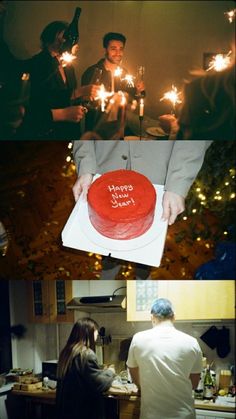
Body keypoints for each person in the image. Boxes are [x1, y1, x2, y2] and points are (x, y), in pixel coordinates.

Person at [72, 140, 211, 279]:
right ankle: (109, 265)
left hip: (158, 176)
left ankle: (143, 273)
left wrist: (178, 182)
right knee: (107, 227)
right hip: (104, 169)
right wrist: (85, 165)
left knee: (147, 236)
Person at [126, 298, 203, 419]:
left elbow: (132, 368)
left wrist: (142, 386)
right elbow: (194, 382)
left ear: (152, 318)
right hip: (183, 414)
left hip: (151, 415)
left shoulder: (138, 339)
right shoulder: (192, 342)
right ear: (174, 317)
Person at [18, 20, 90, 140]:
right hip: (48, 133)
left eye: (67, 38)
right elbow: (39, 100)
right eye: (61, 38)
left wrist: (82, 98)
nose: (65, 41)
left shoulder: (68, 66)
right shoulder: (37, 63)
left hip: (69, 131)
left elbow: (69, 93)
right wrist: (77, 93)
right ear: (49, 39)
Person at [80, 32, 145, 139]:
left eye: (121, 49)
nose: (118, 53)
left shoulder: (124, 73)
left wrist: (138, 92)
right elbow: (85, 102)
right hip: (97, 130)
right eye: (113, 49)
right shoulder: (92, 72)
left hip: (119, 129)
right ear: (105, 49)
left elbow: (132, 100)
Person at [56, 317, 116, 419]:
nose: (96, 339)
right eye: (96, 335)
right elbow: (100, 384)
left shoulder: (66, 351)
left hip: (68, 411)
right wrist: (110, 371)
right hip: (84, 411)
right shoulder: (86, 354)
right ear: (89, 334)